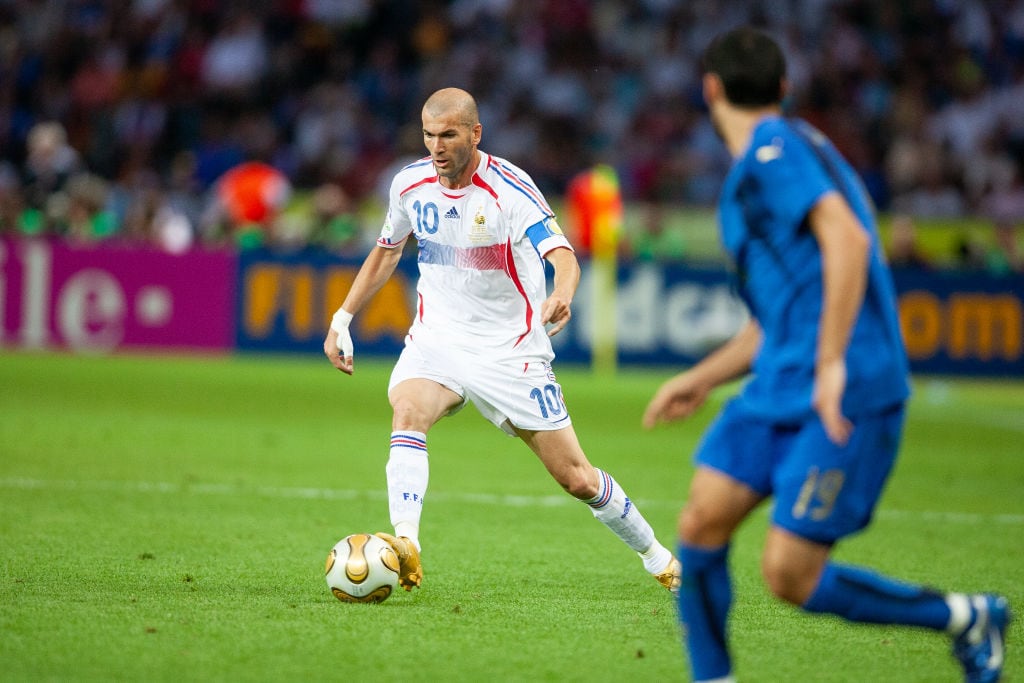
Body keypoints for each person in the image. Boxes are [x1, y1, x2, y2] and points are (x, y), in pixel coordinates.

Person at [641, 28, 1010, 683]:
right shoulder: (792, 152)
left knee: (790, 573)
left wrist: (833, 361)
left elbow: (848, 240)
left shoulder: (771, 152)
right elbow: (774, 320)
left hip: (845, 389)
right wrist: (700, 379)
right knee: (701, 521)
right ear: (782, 89)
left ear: (710, 90)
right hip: (781, 383)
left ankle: (965, 615)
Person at [323, 87, 680, 595]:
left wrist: (563, 291)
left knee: (577, 478)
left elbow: (563, 256)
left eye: (448, 135)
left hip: (509, 350)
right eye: (428, 136)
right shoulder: (409, 184)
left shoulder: (510, 190)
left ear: (475, 133)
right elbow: (386, 251)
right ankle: (407, 546)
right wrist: (342, 318)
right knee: (408, 412)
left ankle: (658, 557)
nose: (437, 147)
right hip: (437, 337)